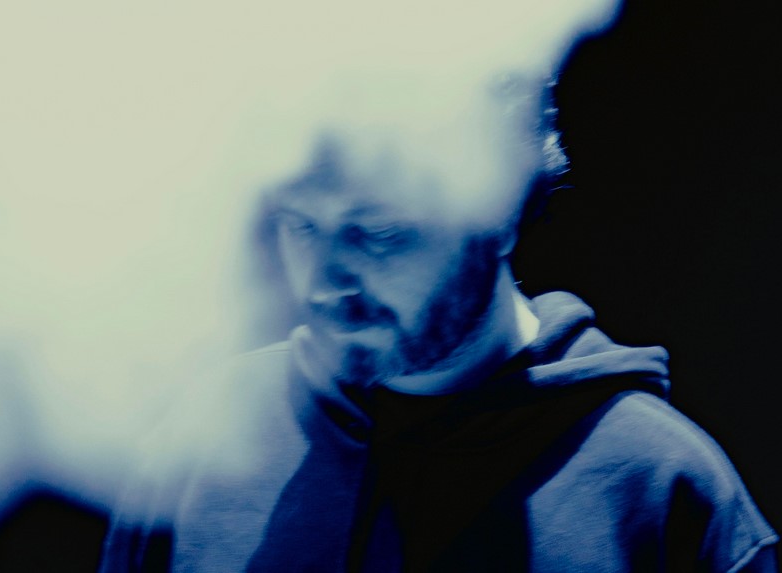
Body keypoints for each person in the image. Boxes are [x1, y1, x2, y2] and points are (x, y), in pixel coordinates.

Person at [99, 25, 778, 573]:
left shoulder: (659, 488)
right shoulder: (204, 442)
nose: (325, 282)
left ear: (500, 212)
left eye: (380, 232)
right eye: (301, 226)